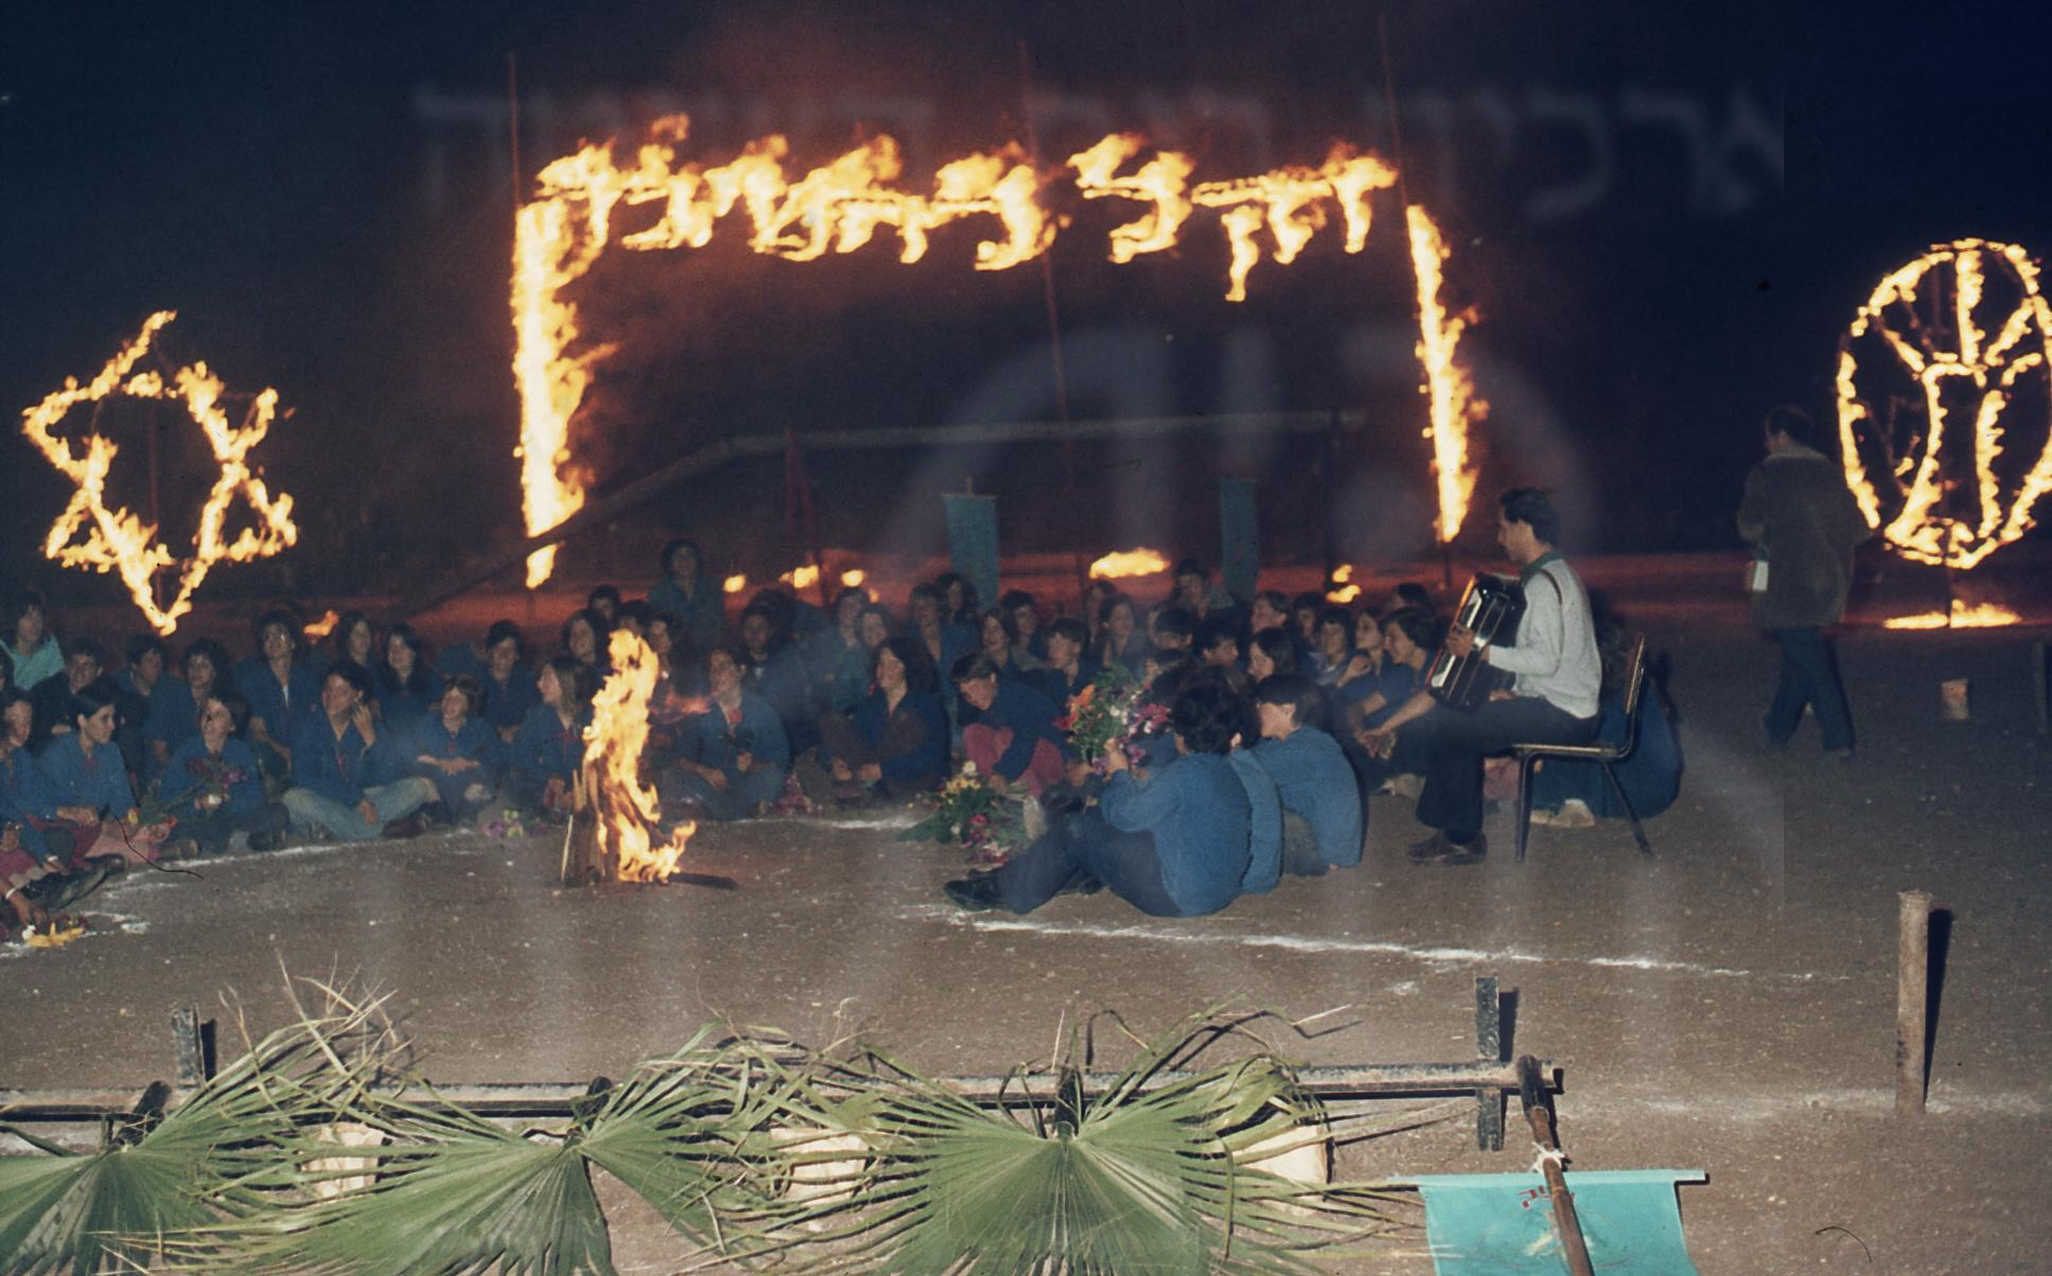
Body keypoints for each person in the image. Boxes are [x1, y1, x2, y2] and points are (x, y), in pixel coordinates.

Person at [1365, 489, 1600, 866]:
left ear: (1525, 527)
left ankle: (1460, 836)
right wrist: (1515, 693)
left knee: (1454, 723)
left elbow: (1546, 660)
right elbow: (1552, 662)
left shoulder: (1544, 585)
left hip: (1565, 716)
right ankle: (1453, 832)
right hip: (1562, 706)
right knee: (1456, 716)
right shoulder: (1556, 575)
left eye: (1504, 528)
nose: (1500, 538)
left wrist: (1479, 649)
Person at [942, 676, 1258, 918]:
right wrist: (1122, 778)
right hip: (1215, 891)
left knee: (1075, 828)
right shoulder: (1220, 771)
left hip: (1180, 896)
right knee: (1094, 819)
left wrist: (1119, 773)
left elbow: (1125, 817)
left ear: (1183, 733)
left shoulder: (1187, 771)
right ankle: (1072, 875)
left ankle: (1006, 890)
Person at [1737, 404, 1872, 759]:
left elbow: (1749, 527)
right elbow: (1859, 528)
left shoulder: (1767, 474)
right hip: (1827, 580)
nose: (1766, 444)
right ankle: (1777, 727)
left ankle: (1839, 737)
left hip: (1785, 581)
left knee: (1812, 660)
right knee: (1801, 654)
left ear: (1781, 436)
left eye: (1769, 436)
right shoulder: (1829, 473)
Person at [281, 666, 436, 843]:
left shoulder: (370, 725)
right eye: (328, 690)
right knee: (292, 798)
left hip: (370, 799)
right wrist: (356, 799)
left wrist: (371, 740)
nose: (332, 697)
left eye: (342, 692)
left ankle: (337, 830)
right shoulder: (309, 726)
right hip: (329, 799)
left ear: (358, 696)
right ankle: (372, 829)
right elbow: (304, 776)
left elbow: (391, 775)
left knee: (417, 787)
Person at [40, 683, 170, 863]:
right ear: (82, 721)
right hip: (69, 836)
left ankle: (129, 850)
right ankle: (154, 853)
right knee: (135, 849)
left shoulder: (110, 751)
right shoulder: (57, 755)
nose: (112, 725)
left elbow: (124, 803)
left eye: (113, 718)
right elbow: (44, 809)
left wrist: (132, 821)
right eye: (104, 719)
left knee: (160, 827)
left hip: (101, 829)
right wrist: (98, 824)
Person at [660, 646, 790, 821]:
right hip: (709, 787)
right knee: (673, 777)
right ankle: (714, 811)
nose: (716, 674)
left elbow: (779, 761)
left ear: (740, 671)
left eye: (722, 666)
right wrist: (704, 771)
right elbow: (681, 757)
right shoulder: (701, 711)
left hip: (748, 786)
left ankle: (738, 810)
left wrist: (752, 766)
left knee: (771, 779)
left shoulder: (761, 711)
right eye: (712, 669)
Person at [1251, 674, 1364, 874]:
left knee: (1245, 813)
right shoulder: (1291, 741)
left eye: (1261, 705)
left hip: (1321, 855)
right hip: (1315, 838)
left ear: (1287, 709)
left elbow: (1241, 772)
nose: (1255, 710)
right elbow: (1256, 757)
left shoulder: (1305, 749)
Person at [815, 637, 949, 803]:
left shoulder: (927, 705)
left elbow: (933, 757)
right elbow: (852, 739)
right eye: (881, 663)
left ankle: (872, 788)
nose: (885, 670)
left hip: (912, 775)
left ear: (909, 668)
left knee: (905, 720)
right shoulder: (872, 704)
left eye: (894, 664)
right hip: (875, 769)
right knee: (831, 720)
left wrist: (884, 770)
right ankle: (864, 786)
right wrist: (835, 761)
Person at [156, 694, 280, 854]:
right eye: (207, 712)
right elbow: (167, 798)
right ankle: (242, 840)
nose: (209, 719)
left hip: (233, 816)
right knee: (182, 827)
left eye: (218, 715)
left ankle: (229, 840)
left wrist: (228, 799)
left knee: (278, 812)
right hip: (199, 818)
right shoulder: (186, 752)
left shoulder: (241, 751)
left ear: (232, 726)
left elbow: (255, 797)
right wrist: (198, 803)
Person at [952, 653, 1067, 797]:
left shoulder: (1016, 696)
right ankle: (995, 790)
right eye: (966, 694)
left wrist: (1003, 773)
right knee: (973, 732)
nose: (972, 697)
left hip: (1057, 758)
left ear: (992, 678)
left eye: (974, 688)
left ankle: (1031, 798)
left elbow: (1025, 740)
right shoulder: (989, 704)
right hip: (1023, 758)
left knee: (1004, 736)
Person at [236, 608, 321, 782]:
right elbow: (258, 732)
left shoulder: (306, 680)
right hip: (269, 755)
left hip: (303, 753)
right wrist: (285, 753)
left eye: (280, 634)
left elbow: (315, 723)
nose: (273, 640)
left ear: (293, 642)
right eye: (267, 636)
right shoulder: (253, 681)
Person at [409, 675, 504, 825]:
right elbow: (410, 752)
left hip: (465, 783)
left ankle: (465, 812)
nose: (449, 703)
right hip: (436, 782)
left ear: (468, 705)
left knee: (485, 776)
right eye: (447, 697)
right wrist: (439, 762)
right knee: (421, 775)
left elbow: (496, 756)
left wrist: (467, 762)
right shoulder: (427, 722)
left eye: (457, 700)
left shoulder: (480, 727)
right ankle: (438, 812)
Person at [508, 656, 594, 818]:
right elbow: (520, 756)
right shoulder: (538, 716)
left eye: (546, 678)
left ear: (565, 682)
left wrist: (576, 789)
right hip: (546, 788)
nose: (539, 684)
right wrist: (549, 778)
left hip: (583, 790)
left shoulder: (593, 718)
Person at [147, 638, 232, 776]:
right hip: (168, 774)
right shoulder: (169, 698)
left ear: (215, 671)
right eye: (192, 665)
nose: (196, 671)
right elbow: (160, 752)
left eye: (204, 665)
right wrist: (188, 777)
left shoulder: (219, 703)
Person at [648, 538, 726, 659]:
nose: (684, 560)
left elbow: (718, 625)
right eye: (678, 556)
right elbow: (656, 629)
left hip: (708, 655)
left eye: (689, 555)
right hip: (672, 656)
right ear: (669, 562)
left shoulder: (711, 588)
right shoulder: (659, 592)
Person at [478, 620, 540, 743]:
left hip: (522, 741)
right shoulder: (476, 680)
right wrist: (498, 732)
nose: (504, 654)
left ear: (517, 655)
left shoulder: (528, 680)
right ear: (490, 651)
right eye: (498, 648)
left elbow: (537, 715)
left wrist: (517, 730)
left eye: (510, 649)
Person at [375, 623, 441, 734]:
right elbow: (375, 716)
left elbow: (437, 715)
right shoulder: (378, 680)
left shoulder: (431, 679)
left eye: (402, 647)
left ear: (414, 652)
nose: (396, 652)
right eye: (391, 646)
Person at [2, 591, 64, 692]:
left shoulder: (49, 645)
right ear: (14, 620)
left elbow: (58, 682)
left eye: (39, 616)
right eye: (28, 617)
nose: (35, 623)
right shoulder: (3, 649)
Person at [1033, 617, 1099, 706]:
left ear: (1076, 648)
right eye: (1050, 646)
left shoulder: (1095, 678)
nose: (1052, 652)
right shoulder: (1053, 679)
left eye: (1059, 646)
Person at [1093, 593, 1147, 676]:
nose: (1125, 622)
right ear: (1106, 624)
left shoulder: (1144, 642)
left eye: (1128, 616)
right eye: (1118, 618)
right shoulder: (1099, 647)